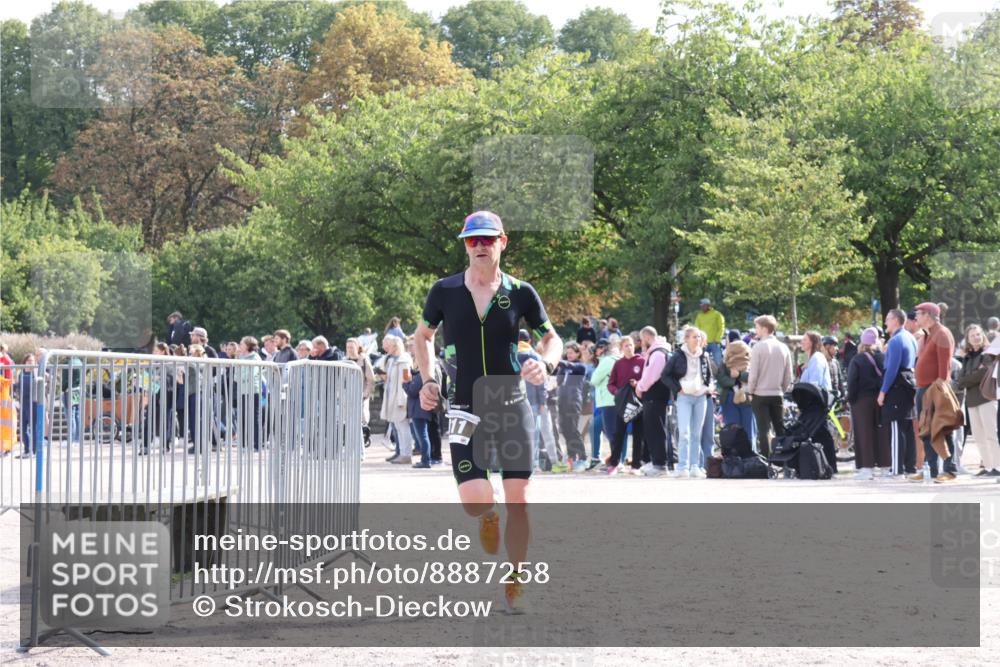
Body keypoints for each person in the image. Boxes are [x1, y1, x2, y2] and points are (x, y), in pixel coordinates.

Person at [414, 210, 562, 615]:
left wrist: (545, 364)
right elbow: (422, 336)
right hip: (465, 408)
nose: (479, 246)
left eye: (487, 239)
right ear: (465, 245)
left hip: (512, 406)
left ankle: (516, 580)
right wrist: (428, 380)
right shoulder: (444, 291)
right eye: (472, 240)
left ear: (502, 242)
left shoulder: (521, 292)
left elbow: (552, 338)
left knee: (519, 499)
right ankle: (487, 516)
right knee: (475, 500)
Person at [910, 302, 958, 482]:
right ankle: (932, 470)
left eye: (918, 314)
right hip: (923, 389)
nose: (916, 317)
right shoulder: (928, 334)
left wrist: (937, 393)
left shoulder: (942, 334)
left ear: (928, 315)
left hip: (935, 389)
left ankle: (949, 470)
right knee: (926, 431)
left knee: (942, 429)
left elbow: (944, 370)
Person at [661, 327, 714, 478]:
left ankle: (695, 466)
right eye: (694, 337)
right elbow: (665, 375)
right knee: (684, 432)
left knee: (697, 433)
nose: (697, 339)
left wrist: (708, 388)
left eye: (699, 337)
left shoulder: (704, 355)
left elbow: (709, 376)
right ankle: (682, 466)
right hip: (684, 397)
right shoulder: (678, 355)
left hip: (701, 397)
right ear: (686, 339)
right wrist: (678, 389)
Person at [878, 308, 919, 476]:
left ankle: (897, 469)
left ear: (895, 320)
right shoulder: (911, 337)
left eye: (887, 319)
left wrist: (883, 391)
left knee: (896, 427)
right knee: (907, 427)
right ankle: (910, 467)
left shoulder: (895, 340)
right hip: (909, 384)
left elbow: (892, 369)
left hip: (897, 386)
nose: (885, 322)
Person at [847, 328, 891, 480]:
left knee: (864, 433)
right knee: (883, 433)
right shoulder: (883, 358)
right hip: (881, 399)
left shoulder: (857, 360)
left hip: (862, 401)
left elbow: (852, 382)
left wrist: (851, 399)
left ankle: (867, 469)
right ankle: (886, 467)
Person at [747, 315, 793, 458]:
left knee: (764, 430)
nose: (756, 330)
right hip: (777, 394)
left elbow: (753, 374)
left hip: (760, 394)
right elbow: (788, 375)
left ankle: (767, 460)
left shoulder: (758, 347)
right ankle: (785, 458)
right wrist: (782, 389)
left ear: (764, 328)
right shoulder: (784, 347)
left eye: (757, 327)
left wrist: (750, 391)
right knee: (780, 429)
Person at [957, 324, 999, 476]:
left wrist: (969, 378)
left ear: (983, 336)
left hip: (987, 399)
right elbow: (960, 380)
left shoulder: (988, 354)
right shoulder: (967, 357)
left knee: (991, 434)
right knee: (978, 436)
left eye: (978, 334)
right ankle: (988, 466)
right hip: (972, 401)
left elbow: (983, 374)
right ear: (968, 339)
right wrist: (972, 376)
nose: (976, 337)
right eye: (972, 335)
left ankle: (997, 466)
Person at [635, 326, 672, 476]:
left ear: (647, 337)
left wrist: (640, 387)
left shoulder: (658, 354)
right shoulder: (658, 352)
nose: (641, 343)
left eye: (641, 339)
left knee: (656, 430)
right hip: (656, 397)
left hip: (654, 396)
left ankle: (660, 464)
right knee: (653, 430)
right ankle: (656, 461)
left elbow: (651, 376)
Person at [606, 335, 646, 475]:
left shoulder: (642, 361)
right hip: (623, 404)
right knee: (619, 434)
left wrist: (638, 385)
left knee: (638, 435)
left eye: (631, 345)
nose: (629, 348)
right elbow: (610, 384)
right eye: (626, 346)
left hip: (639, 403)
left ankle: (636, 465)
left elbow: (646, 380)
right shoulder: (618, 364)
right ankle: (614, 463)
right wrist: (617, 392)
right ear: (621, 348)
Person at [403, 337, 439, 469]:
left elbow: (412, 391)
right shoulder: (417, 374)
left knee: (422, 436)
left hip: (419, 410)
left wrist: (405, 383)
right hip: (419, 409)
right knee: (422, 435)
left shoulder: (420, 376)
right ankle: (425, 459)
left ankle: (425, 460)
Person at [718, 330, 755, 444]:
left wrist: (739, 375)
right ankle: (734, 452)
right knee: (732, 430)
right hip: (729, 397)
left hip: (747, 398)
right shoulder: (725, 362)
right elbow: (721, 379)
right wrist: (735, 381)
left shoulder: (750, 361)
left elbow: (753, 377)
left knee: (748, 430)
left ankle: (750, 452)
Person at [555, 343, 588, 470]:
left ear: (578, 353)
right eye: (567, 353)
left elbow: (570, 365)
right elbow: (558, 381)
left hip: (573, 400)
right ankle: (571, 456)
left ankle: (583, 457)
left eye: (571, 353)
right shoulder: (563, 367)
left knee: (573, 429)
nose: (569, 355)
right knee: (564, 429)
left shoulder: (580, 366)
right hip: (562, 400)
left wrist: (555, 359)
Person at [380, 334, 412, 464]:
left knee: (403, 427)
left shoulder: (404, 361)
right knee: (398, 428)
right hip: (392, 398)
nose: (389, 348)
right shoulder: (392, 361)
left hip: (400, 399)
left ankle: (406, 454)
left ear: (396, 346)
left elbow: (406, 380)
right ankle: (402, 453)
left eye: (391, 346)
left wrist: (402, 399)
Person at [590, 338, 619, 471]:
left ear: (603, 349)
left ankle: (616, 463)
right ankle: (614, 461)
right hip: (610, 400)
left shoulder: (607, 361)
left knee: (612, 433)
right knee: (604, 429)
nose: (595, 351)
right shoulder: (611, 360)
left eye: (597, 348)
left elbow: (594, 380)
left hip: (608, 401)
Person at [345, 337, 376, 426]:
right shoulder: (344, 360)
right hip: (347, 396)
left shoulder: (364, 360)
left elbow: (371, 379)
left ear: (357, 347)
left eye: (352, 347)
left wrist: (365, 394)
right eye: (348, 347)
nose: (349, 350)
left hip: (361, 395)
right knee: (348, 421)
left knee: (362, 420)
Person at [694, 298, 725, 367]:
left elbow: (721, 327)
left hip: (714, 343)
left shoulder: (717, 314)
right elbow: (696, 329)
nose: (702, 307)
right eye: (701, 306)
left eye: (703, 305)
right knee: (700, 362)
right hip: (703, 343)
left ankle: (720, 373)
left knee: (718, 362)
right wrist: (698, 340)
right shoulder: (699, 316)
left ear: (708, 305)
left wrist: (718, 339)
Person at [16, 353, 35, 457]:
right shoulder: (21, 373)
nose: (31, 363)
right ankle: (27, 450)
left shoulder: (36, 372)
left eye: (32, 361)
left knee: (33, 427)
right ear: (25, 362)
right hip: (23, 403)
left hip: (33, 403)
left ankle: (34, 450)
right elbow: (18, 387)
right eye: (29, 361)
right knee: (23, 428)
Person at [823, 336, 845, 402]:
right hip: (824, 400)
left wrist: (843, 398)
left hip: (836, 400)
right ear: (827, 347)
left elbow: (840, 382)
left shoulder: (835, 362)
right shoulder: (820, 363)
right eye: (835, 345)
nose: (837, 348)